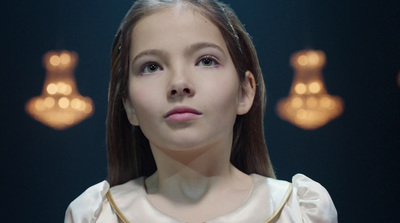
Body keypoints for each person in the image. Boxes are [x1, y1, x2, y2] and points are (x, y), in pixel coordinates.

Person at [65, 0, 338, 222]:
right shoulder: (96, 216)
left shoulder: (300, 213)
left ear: (245, 91)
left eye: (206, 61)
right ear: (129, 105)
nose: (179, 84)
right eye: (151, 67)